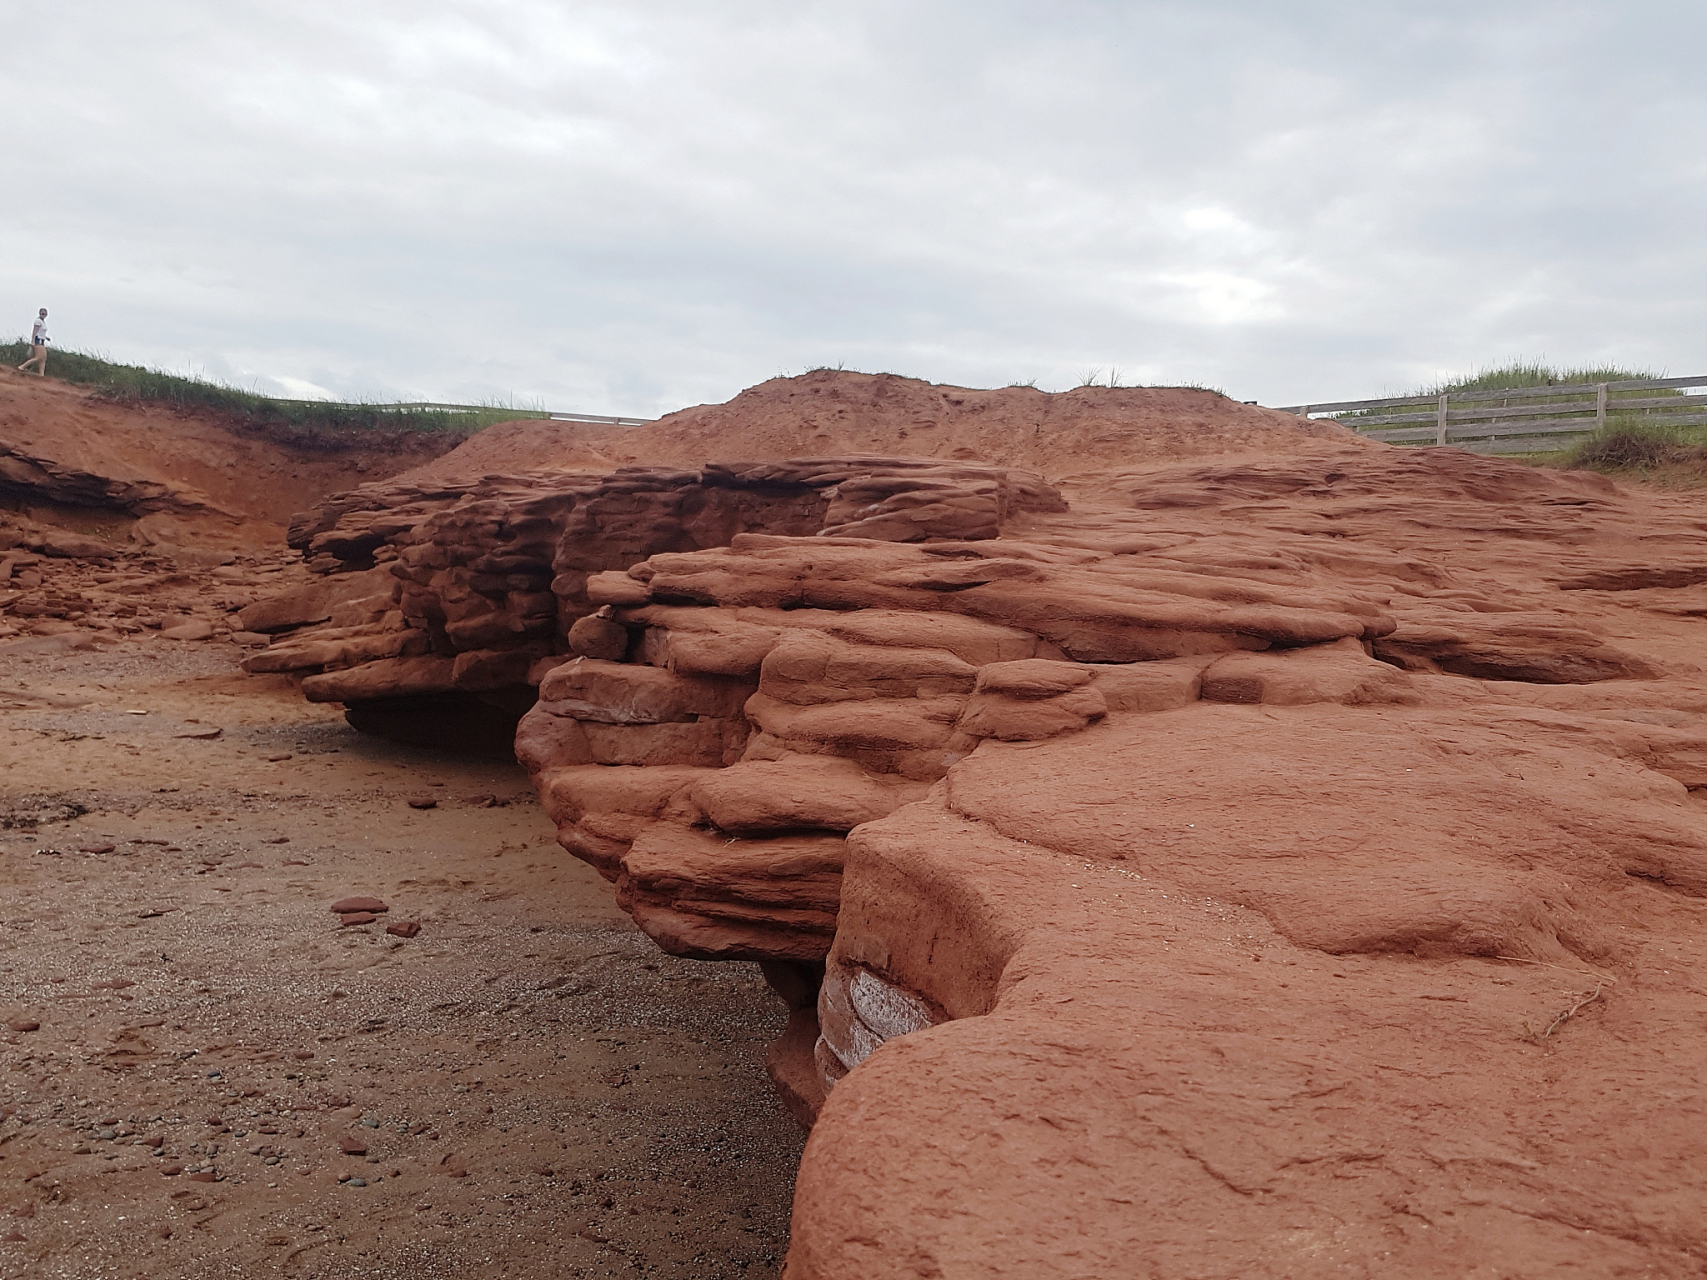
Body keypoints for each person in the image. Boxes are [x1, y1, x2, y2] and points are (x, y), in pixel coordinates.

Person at [17, 309, 49, 375]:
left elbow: (41, 332)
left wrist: (46, 337)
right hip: (37, 340)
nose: (43, 315)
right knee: (39, 357)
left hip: (41, 340)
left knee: (43, 358)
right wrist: (32, 340)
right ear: (39, 313)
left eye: (45, 314)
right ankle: (22, 367)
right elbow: (35, 331)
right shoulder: (38, 321)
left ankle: (41, 373)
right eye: (42, 314)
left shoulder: (42, 322)